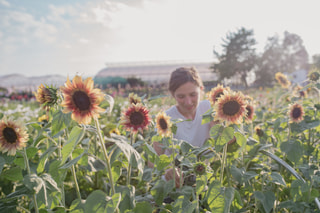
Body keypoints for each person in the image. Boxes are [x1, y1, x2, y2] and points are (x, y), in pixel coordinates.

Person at [153, 66, 217, 187]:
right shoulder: (166, 119)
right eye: (181, 97)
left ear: (202, 90)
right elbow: (153, 159)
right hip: (175, 186)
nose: (188, 102)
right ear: (173, 95)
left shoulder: (209, 109)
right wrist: (168, 169)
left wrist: (219, 129)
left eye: (193, 95)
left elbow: (229, 143)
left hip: (203, 180)